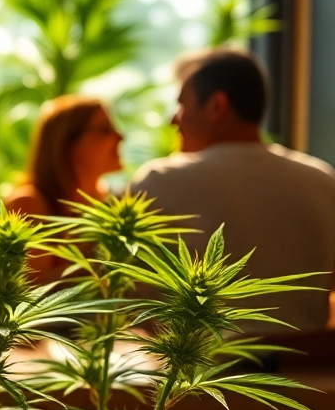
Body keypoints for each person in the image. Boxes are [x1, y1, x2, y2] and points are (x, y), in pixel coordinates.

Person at [131, 48, 335, 332]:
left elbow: (129, 295)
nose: (173, 120)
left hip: (199, 372)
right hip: (311, 373)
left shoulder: (159, 181)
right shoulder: (324, 181)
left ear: (217, 105)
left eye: (182, 104)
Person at [5, 95, 124, 282]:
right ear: (67, 143)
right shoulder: (31, 203)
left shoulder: (111, 200)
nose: (120, 137)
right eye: (105, 130)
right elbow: (27, 288)